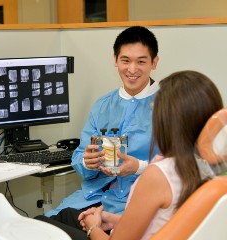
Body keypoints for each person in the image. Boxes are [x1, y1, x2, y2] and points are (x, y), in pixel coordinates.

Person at [35, 25, 160, 235]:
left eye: (141, 61)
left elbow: (180, 166)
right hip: (90, 198)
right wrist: (87, 162)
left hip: (131, 204)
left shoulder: (167, 105)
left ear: (154, 62)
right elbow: (79, 156)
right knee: (38, 228)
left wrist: (139, 166)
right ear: (115, 60)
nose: (132, 69)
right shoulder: (103, 105)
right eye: (125, 60)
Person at [78, 70, 223, 239]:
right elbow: (173, 224)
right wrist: (117, 221)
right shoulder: (208, 169)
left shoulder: (159, 175)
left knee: (52, 223)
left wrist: (93, 227)